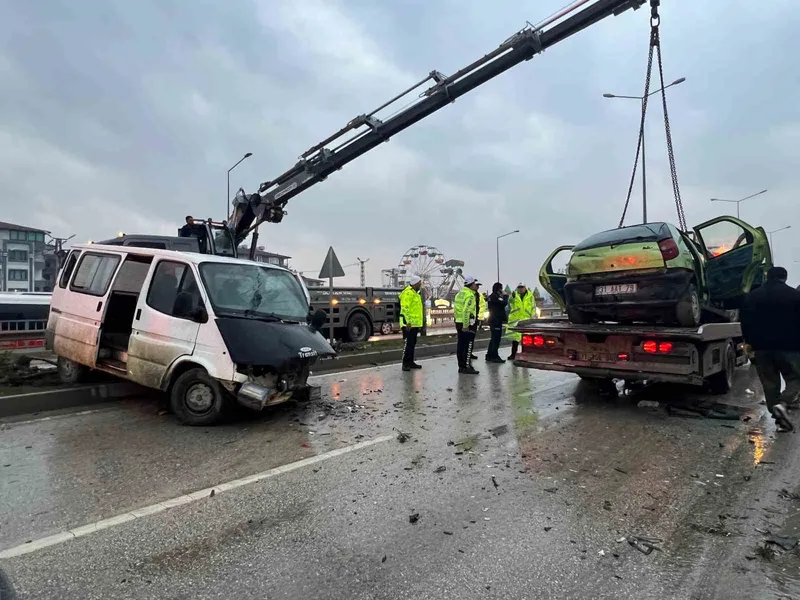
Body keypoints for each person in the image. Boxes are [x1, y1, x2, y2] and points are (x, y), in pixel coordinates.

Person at [741, 266, 800, 432]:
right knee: (796, 378)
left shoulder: (752, 296)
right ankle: (784, 403)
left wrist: (749, 343)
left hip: (761, 348)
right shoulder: (795, 296)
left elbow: (744, 322)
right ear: (785, 278)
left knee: (770, 384)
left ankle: (780, 420)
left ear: (768, 277)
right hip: (790, 347)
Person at [454, 276, 481, 374]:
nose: (476, 285)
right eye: (474, 283)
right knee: (467, 346)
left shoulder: (459, 294)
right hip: (467, 323)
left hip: (458, 321)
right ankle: (466, 366)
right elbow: (466, 311)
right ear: (471, 284)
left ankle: (461, 366)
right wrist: (466, 325)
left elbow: (456, 309)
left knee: (460, 345)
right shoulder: (470, 295)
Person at [399, 276, 424, 371]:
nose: (420, 285)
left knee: (412, 343)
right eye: (419, 283)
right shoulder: (408, 293)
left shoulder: (416, 293)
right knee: (408, 344)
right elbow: (405, 309)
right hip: (408, 324)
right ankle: (405, 363)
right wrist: (408, 322)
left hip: (414, 324)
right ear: (415, 283)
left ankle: (410, 362)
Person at [506, 282, 534, 360]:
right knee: (515, 339)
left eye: (522, 287)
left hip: (526, 319)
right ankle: (513, 354)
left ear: (525, 288)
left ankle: (527, 354)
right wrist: (512, 296)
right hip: (516, 319)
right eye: (519, 287)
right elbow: (510, 301)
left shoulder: (530, 296)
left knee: (527, 339)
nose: (520, 289)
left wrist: (533, 317)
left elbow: (533, 307)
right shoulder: (514, 295)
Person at [485, 282, 509, 363]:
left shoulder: (494, 296)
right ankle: (494, 356)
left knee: (493, 339)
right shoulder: (494, 297)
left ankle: (489, 355)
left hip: (495, 320)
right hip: (495, 320)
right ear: (499, 289)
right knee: (496, 339)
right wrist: (505, 296)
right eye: (501, 288)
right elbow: (504, 303)